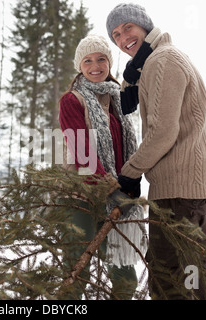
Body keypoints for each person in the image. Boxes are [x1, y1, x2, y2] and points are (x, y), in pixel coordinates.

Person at [106, 3, 206, 299]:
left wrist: (129, 176)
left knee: (173, 284)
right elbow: (204, 128)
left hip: (177, 197)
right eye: (116, 35)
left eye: (127, 28)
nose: (122, 39)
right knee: (196, 279)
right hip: (189, 194)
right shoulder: (162, 59)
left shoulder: (162, 61)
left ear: (145, 26)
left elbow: (162, 133)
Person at [58, 34, 147, 299]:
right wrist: (111, 188)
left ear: (109, 63)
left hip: (116, 198)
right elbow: (82, 152)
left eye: (101, 59)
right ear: (79, 66)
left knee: (125, 278)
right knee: (76, 272)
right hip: (81, 198)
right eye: (88, 60)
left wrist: (128, 186)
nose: (95, 65)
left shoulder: (118, 101)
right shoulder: (72, 100)